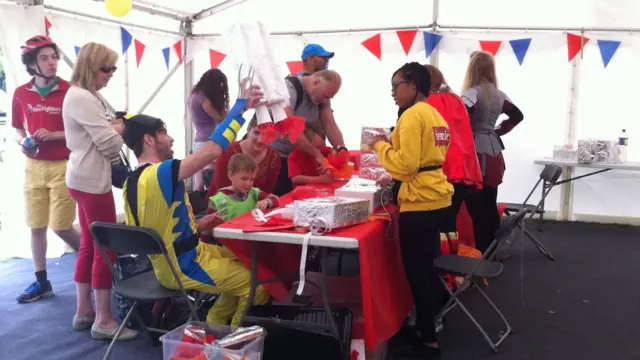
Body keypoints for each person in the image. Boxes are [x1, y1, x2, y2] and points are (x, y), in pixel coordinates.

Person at [121, 78, 272, 327]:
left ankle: (215, 326)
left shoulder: (131, 183)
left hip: (172, 262)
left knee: (245, 260)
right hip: (184, 265)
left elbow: (158, 232)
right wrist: (240, 108)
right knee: (256, 281)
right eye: (164, 134)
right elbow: (213, 150)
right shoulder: (162, 172)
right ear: (149, 140)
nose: (171, 140)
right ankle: (231, 341)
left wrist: (202, 224)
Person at [363, 62, 453, 359]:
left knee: (418, 272)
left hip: (420, 201)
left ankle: (428, 337)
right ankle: (430, 329)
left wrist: (379, 147)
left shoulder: (413, 116)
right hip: (436, 195)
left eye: (396, 85)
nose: (392, 92)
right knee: (427, 270)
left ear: (413, 84)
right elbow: (428, 156)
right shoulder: (435, 114)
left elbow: (406, 165)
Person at [63, 42, 138, 340]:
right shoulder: (83, 97)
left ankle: (85, 311)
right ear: (91, 67)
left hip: (82, 178)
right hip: (92, 182)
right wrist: (118, 129)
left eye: (113, 69)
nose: (110, 74)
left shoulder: (82, 95)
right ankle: (104, 319)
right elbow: (110, 145)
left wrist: (111, 127)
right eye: (106, 68)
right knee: (105, 249)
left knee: (88, 245)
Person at [11, 35, 81, 304]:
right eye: (44, 58)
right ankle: (42, 282)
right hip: (33, 166)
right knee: (36, 226)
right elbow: (17, 127)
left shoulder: (70, 90)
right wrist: (22, 142)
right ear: (32, 63)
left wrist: (55, 135)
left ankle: (102, 263)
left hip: (64, 165)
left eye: (54, 57)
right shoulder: (20, 93)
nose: (52, 62)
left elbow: (81, 129)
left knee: (61, 226)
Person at [461, 51, 524, 253]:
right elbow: (518, 115)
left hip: (476, 154)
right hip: (494, 152)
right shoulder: (500, 95)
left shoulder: (471, 94)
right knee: (489, 205)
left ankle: (482, 253)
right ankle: (493, 252)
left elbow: (460, 117)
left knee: (478, 209)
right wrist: (498, 131)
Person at [424, 64, 483, 254]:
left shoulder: (428, 103)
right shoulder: (456, 99)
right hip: (464, 169)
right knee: (450, 222)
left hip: (445, 169)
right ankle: (453, 266)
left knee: (438, 224)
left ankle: (442, 267)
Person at [271, 69, 346, 195]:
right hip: (278, 157)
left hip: (302, 155)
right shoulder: (288, 89)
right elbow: (290, 129)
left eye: (330, 97)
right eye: (326, 96)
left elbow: (329, 124)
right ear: (316, 82)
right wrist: (317, 155)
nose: (326, 100)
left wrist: (341, 149)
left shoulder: (322, 95)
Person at [206, 117, 281, 197]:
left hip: (256, 207)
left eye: (267, 134)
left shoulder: (274, 157)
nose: (260, 140)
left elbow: (266, 192)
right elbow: (220, 188)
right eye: (256, 133)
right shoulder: (228, 151)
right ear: (249, 130)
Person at [189, 69, 229, 192]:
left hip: (199, 141)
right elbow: (219, 118)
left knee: (199, 185)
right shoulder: (203, 99)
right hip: (210, 141)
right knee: (210, 181)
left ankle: (198, 208)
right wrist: (226, 109)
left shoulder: (193, 95)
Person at [209, 153, 279, 221]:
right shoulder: (219, 200)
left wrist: (267, 201)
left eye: (252, 179)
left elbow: (276, 199)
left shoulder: (254, 193)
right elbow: (207, 226)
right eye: (244, 179)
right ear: (230, 175)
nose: (248, 183)